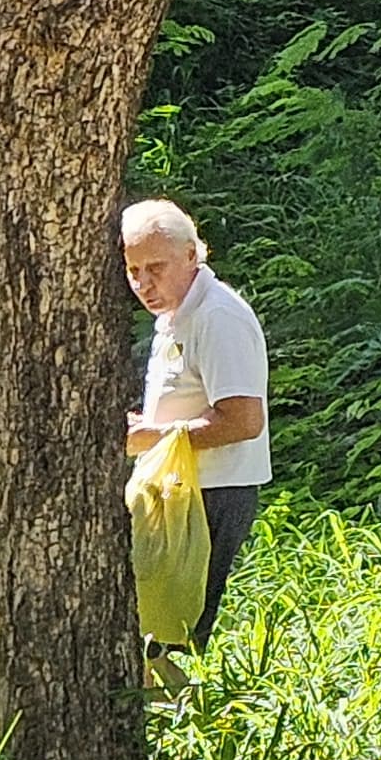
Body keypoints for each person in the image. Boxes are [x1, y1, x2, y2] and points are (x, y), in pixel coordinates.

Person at [122, 198, 271, 650]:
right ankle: (179, 713)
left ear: (192, 255)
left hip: (212, 496)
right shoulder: (176, 315)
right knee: (149, 631)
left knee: (168, 638)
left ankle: (199, 716)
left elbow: (244, 420)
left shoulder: (216, 316)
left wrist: (154, 437)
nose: (144, 284)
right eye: (134, 272)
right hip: (178, 492)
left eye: (156, 268)